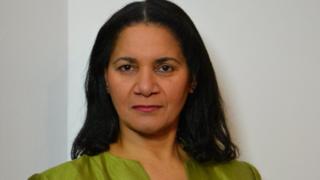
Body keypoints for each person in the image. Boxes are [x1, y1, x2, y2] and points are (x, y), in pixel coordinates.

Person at [29, 0, 261, 179]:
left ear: (193, 79)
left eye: (165, 68)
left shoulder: (240, 176)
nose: (146, 87)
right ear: (105, 79)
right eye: (127, 67)